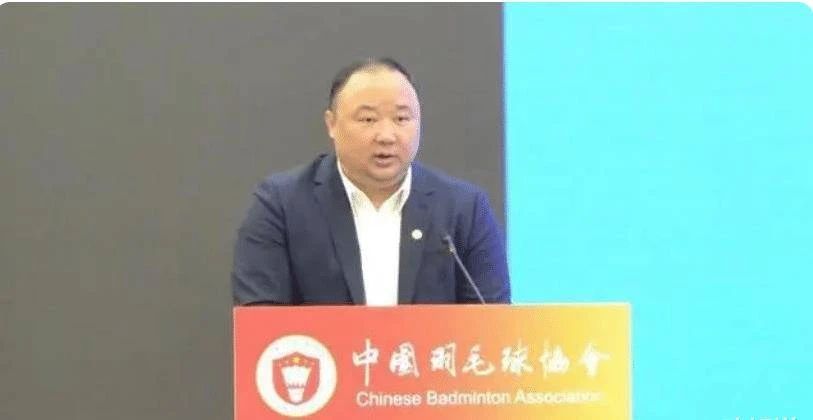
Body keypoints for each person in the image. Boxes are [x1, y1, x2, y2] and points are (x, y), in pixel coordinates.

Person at [231, 58, 510, 305]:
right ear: (331, 124)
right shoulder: (281, 205)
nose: (386, 135)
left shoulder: (464, 209)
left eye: (402, 118)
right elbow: (260, 319)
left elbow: (492, 323)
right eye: (368, 119)